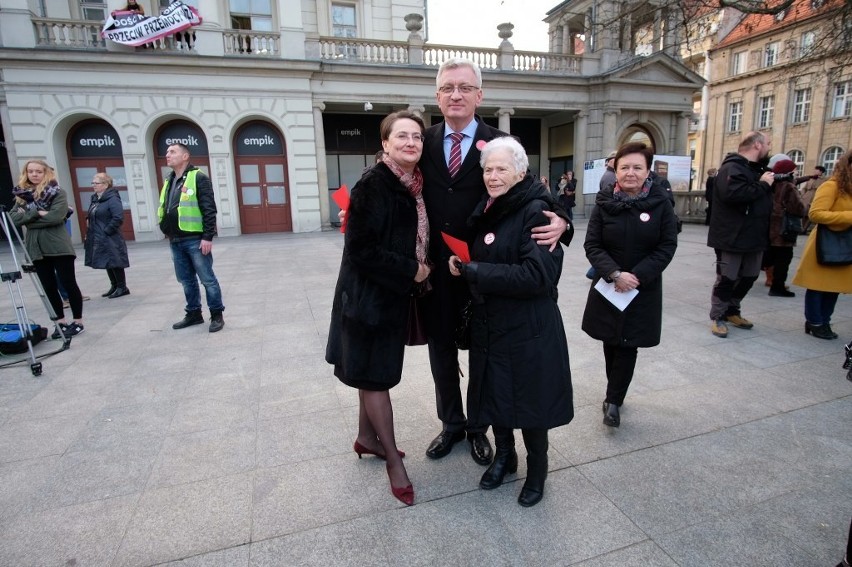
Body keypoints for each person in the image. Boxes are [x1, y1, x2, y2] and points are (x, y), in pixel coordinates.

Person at [418, 57, 571, 466]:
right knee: (442, 352)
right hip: (437, 273)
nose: (456, 94)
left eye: (465, 87)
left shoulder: (501, 141)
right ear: (437, 95)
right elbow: (391, 178)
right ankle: (452, 423)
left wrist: (564, 223)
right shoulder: (423, 141)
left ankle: (477, 427)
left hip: (488, 273)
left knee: (485, 356)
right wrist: (357, 211)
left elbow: (538, 194)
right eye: (448, 87)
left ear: (479, 95)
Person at [448, 137, 573, 507]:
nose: (492, 176)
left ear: (521, 171)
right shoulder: (489, 209)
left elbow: (537, 276)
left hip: (529, 327)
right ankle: (505, 456)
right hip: (493, 323)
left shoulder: (537, 211)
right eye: (487, 169)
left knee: (531, 404)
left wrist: (474, 271)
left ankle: (537, 472)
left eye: (501, 168)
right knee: (496, 394)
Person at [326, 110, 432, 506]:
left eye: (417, 137)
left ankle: (366, 438)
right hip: (368, 299)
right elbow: (360, 249)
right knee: (376, 379)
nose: (410, 142)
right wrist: (413, 270)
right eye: (401, 136)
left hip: (387, 297)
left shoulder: (414, 184)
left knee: (369, 373)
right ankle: (392, 460)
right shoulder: (375, 183)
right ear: (385, 143)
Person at [582, 142, 678, 428]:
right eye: (625, 167)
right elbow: (593, 244)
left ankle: (614, 400)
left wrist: (636, 276)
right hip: (609, 285)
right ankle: (615, 392)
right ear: (616, 170)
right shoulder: (604, 202)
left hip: (641, 287)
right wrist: (614, 274)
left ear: (648, 171)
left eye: (637, 167)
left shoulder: (661, 204)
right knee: (610, 340)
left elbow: (666, 246)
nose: (630, 173)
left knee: (628, 343)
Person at [707, 131, 775, 338]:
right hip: (732, 237)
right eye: (767, 143)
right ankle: (718, 316)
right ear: (757, 145)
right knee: (727, 278)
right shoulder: (732, 168)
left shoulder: (755, 169)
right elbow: (734, 195)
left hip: (754, 236)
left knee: (750, 276)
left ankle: (732, 311)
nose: (769, 147)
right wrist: (763, 184)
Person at [9, 160, 85, 338]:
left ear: (46, 173)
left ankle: (78, 321)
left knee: (68, 283)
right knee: (48, 286)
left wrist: (28, 216)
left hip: (58, 245)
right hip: (36, 247)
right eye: (31, 171)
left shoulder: (57, 193)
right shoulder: (21, 195)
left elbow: (56, 218)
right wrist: (37, 213)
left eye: (38, 171)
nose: (34, 174)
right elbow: (13, 219)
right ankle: (60, 323)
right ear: (25, 173)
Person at [158, 143, 225, 333]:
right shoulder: (170, 180)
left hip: (194, 239)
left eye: (172, 152)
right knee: (186, 280)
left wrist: (207, 236)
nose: (167, 155)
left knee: (207, 279)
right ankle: (194, 313)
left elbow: (209, 209)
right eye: (167, 151)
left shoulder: (198, 178)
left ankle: (217, 314)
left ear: (185, 156)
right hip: (175, 239)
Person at [791, 149, 852, 340]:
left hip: (844, 243)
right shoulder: (832, 186)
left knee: (833, 286)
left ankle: (824, 321)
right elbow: (815, 213)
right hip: (826, 243)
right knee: (818, 285)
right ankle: (815, 322)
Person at [761, 154, 806, 297]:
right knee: (783, 259)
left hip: (771, 226)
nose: (797, 172)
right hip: (784, 227)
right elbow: (798, 208)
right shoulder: (788, 186)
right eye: (795, 170)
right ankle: (777, 286)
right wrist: (806, 207)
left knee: (770, 255)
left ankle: (771, 280)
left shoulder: (771, 184)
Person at [84, 172, 130, 298]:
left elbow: (118, 217)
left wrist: (107, 231)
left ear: (105, 184)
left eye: (96, 183)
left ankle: (122, 287)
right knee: (107, 261)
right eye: (93, 182)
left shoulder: (112, 198)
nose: (94, 185)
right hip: (99, 236)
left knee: (115, 260)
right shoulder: (96, 199)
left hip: (110, 236)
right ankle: (114, 285)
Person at [800, 165, 826, 234]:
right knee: (804, 213)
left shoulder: (824, 180)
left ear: (820, 171)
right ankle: (802, 228)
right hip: (806, 198)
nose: (814, 171)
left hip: (815, 197)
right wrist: (803, 195)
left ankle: (804, 229)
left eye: (816, 170)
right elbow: (804, 188)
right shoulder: (811, 178)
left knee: (810, 214)